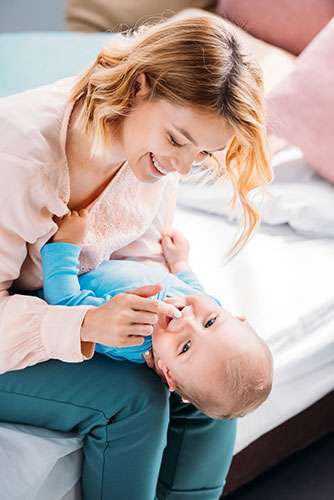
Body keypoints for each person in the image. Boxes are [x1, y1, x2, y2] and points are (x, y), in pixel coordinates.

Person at [0, 15, 272, 500]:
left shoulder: (148, 153)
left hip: (54, 305)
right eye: (177, 141)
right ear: (138, 86)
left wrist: (178, 332)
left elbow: (132, 254)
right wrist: (85, 325)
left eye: (204, 155)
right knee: (136, 398)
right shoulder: (18, 159)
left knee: (206, 395)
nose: (182, 167)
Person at [39, 208, 273, 419]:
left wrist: (64, 246)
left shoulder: (131, 335)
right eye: (210, 322)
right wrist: (180, 262)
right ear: (236, 317)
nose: (186, 319)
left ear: (167, 372)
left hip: (68, 270)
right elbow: (193, 287)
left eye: (185, 347)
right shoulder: (205, 303)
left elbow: (66, 305)